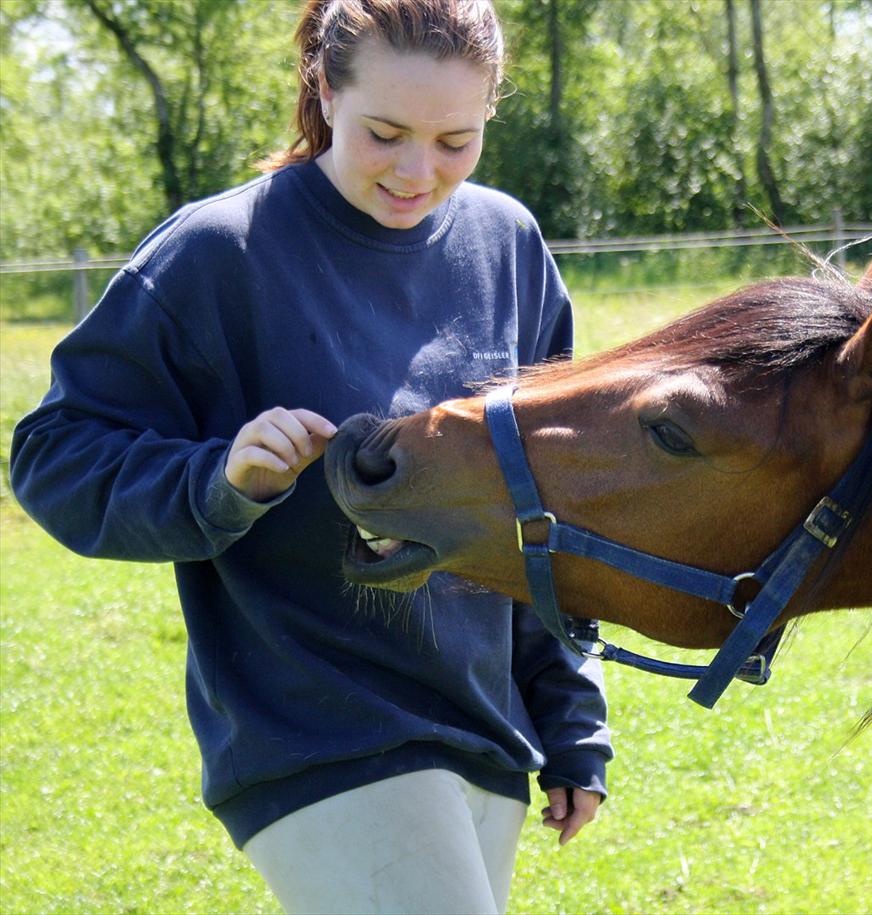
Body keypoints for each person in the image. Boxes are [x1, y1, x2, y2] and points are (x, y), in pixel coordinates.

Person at [9, 0, 611, 912]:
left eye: (456, 140)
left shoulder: (510, 246)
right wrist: (219, 481)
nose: (419, 172)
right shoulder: (217, 253)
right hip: (316, 731)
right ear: (325, 89)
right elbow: (54, 455)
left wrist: (571, 720)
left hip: (485, 729)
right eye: (385, 133)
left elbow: (544, 506)